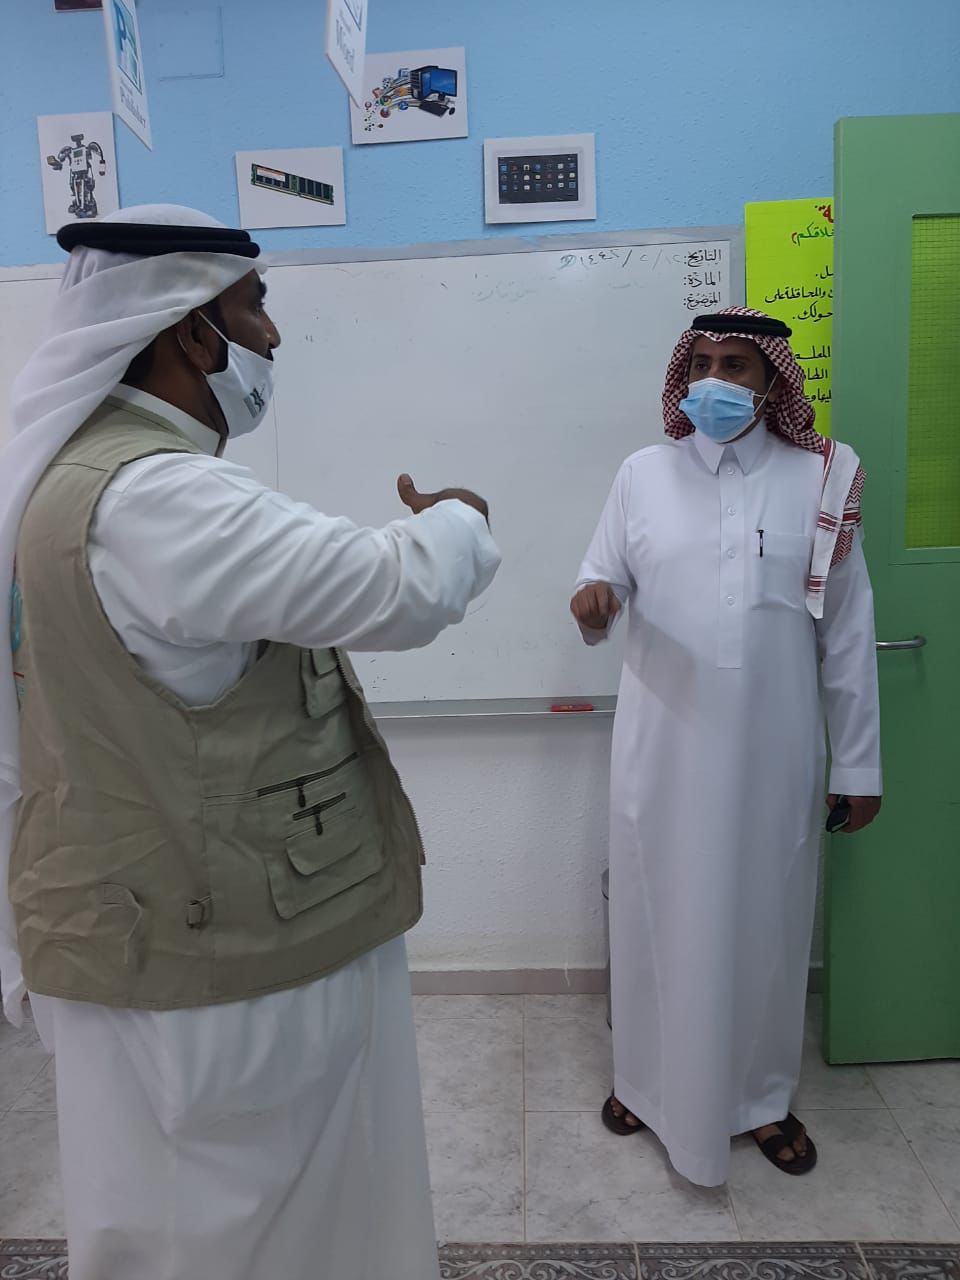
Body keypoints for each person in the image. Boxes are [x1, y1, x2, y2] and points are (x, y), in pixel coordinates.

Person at [0, 205, 500, 1280]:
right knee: (266, 1227)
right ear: (193, 331)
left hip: (121, 926)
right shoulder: (158, 494)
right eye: (255, 306)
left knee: (166, 1218)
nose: (273, 336)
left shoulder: (60, 482)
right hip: (225, 958)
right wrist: (461, 517)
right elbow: (394, 588)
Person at [570, 306, 881, 1187]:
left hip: (772, 754)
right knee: (653, 913)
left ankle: (760, 1098)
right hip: (662, 748)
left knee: (767, 924)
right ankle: (644, 1084)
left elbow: (847, 632)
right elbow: (598, 581)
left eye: (735, 365)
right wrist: (591, 603)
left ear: (772, 380)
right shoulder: (643, 473)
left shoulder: (820, 481)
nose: (714, 381)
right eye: (701, 362)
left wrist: (860, 763)